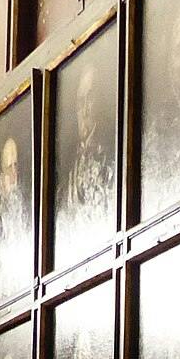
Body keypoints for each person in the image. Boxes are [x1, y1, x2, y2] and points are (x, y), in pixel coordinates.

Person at [59, 63, 115, 251]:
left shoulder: (111, 150)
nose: (84, 110)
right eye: (80, 102)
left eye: (89, 99)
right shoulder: (70, 164)